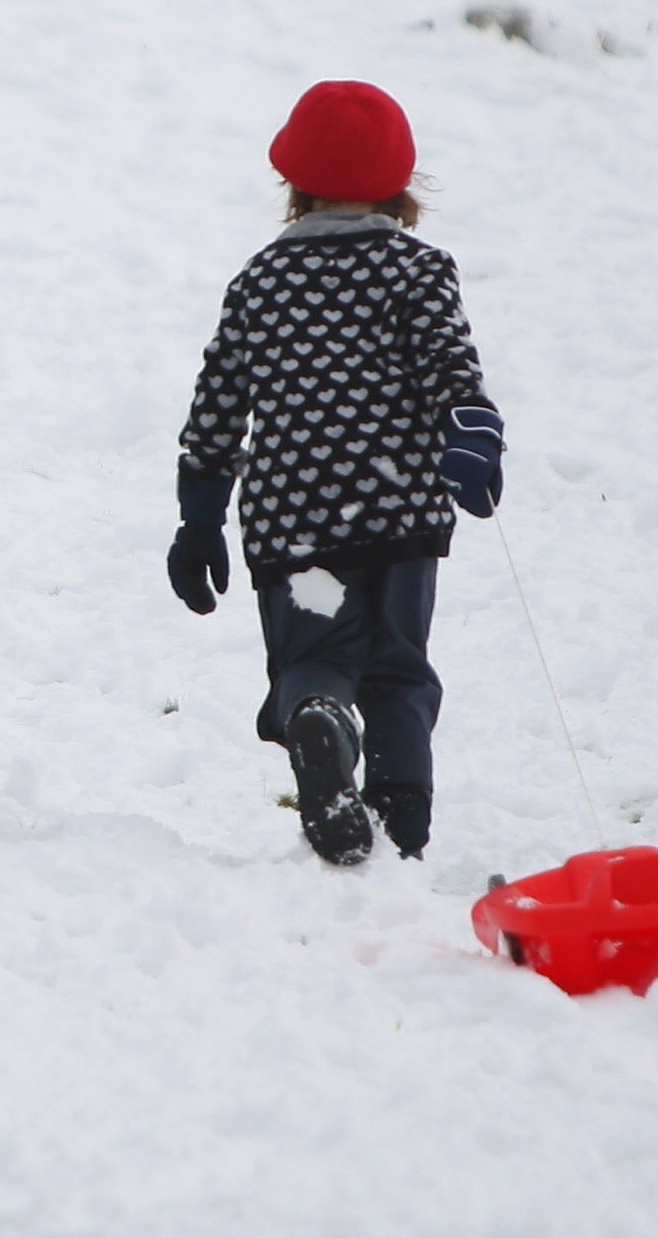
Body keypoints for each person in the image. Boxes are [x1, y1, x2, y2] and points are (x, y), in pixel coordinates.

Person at [168, 81, 505, 865]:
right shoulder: (417, 271)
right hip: (399, 505)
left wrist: (199, 516)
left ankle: (320, 712)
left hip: (293, 512)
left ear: (295, 181)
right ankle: (398, 820)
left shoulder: (260, 280)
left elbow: (218, 406)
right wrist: (471, 438)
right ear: (400, 184)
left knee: (313, 655)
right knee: (396, 667)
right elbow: (453, 373)